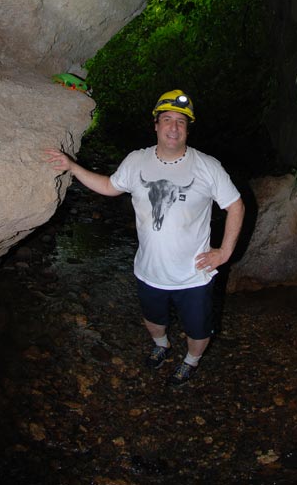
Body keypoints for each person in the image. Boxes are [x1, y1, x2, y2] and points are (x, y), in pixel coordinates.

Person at [45, 89, 245, 386]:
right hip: (148, 270)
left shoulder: (208, 166)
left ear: (187, 128)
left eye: (180, 121)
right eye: (167, 119)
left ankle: (191, 361)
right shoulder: (136, 161)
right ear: (156, 125)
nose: (173, 127)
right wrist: (73, 167)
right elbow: (111, 186)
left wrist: (225, 252)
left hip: (195, 275)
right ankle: (161, 345)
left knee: (199, 330)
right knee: (153, 319)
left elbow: (236, 206)